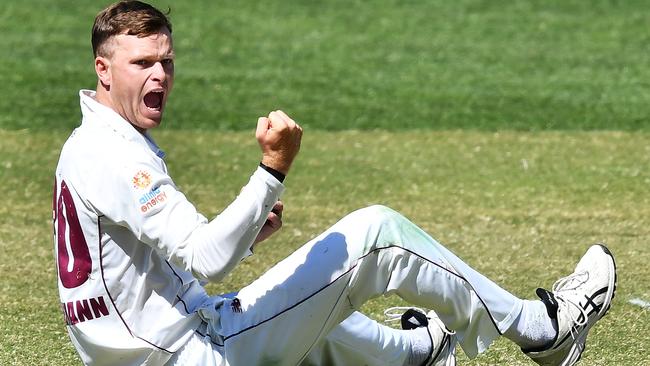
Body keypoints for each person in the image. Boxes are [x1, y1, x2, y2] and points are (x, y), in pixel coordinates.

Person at [52, 1, 617, 365]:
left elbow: (149, 263)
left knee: (307, 304)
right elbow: (205, 259)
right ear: (103, 70)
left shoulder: (87, 146)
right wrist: (272, 169)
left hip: (151, 351)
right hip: (192, 354)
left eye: (166, 61)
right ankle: (546, 331)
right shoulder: (119, 156)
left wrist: (247, 231)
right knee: (376, 234)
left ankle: (419, 354)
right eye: (142, 63)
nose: (160, 75)